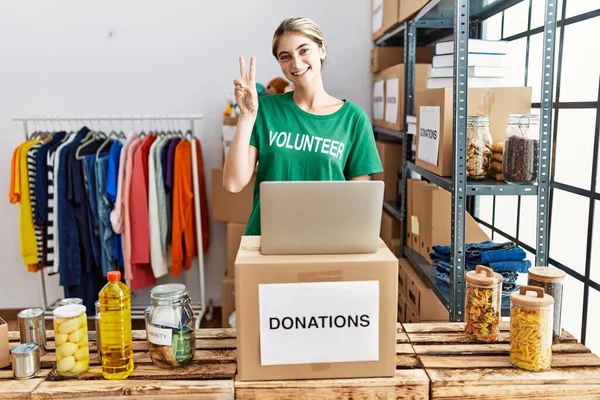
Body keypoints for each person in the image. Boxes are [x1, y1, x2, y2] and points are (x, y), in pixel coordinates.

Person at [223, 17, 383, 236]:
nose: (296, 64)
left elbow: (358, 205)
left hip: (327, 244)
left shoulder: (353, 119)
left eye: (303, 50)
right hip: (267, 241)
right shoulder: (264, 110)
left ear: (322, 50)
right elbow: (233, 183)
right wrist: (246, 115)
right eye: (285, 57)